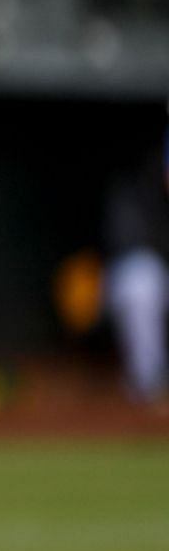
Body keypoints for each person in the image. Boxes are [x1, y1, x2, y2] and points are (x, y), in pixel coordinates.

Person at [103, 128, 169, 404]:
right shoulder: (138, 190)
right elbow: (129, 244)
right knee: (141, 280)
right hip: (141, 279)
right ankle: (150, 383)